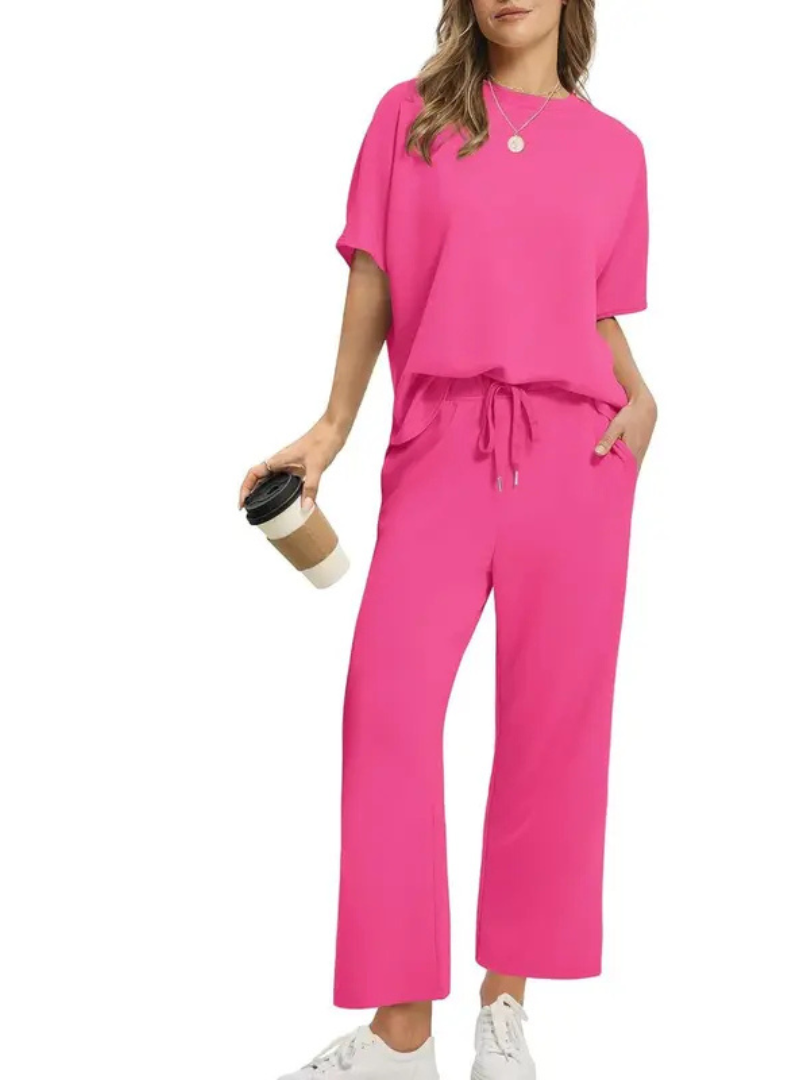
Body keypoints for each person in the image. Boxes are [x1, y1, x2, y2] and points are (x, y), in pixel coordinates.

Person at [239, 1, 656, 1076]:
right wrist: (332, 426)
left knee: (552, 732)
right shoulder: (410, 119)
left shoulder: (617, 153)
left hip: (576, 459)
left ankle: (505, 1013)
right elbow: (373, 274)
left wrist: (644, 395)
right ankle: (401, 1035)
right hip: (440, 449)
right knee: (386, 710)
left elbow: (591, 309)